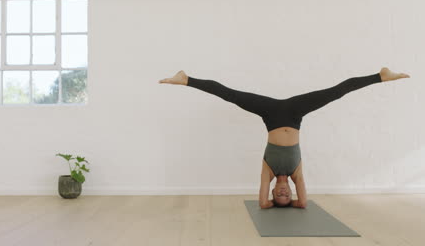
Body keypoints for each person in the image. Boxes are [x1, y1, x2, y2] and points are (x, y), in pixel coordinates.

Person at [159, 67, 410, 209]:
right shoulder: (295, 173)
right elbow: (303, 203)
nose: (282, 192)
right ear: (290, 191)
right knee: (336, 92)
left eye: (278, 195)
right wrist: (292, 203)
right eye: (286, 195)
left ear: (272, 191)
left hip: (270, 114)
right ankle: (381, 76)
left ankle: (186, 79)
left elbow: (262, 203)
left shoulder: (268, 173)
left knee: (230, 94)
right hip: (295, 113)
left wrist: (271, 204)